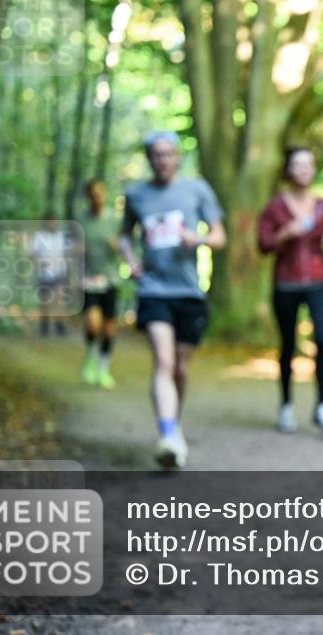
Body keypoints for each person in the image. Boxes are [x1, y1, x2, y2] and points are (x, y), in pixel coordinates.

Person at [119, 131, 226, 469]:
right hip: (153, 290)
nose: (163, 159)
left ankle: (173, 426)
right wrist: (131, 261)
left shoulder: (197, 190)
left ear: (177, 157)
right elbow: (124, 234)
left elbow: (220, 236)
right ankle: (167, 434)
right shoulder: (136, 194)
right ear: (149, 158)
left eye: (168, 154)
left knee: (180, 368)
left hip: (190, 292)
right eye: (156, 154)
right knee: (163, 363)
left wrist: (200, 239)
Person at [258, 147, 323, 433]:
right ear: (289, 170)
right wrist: (284, 234)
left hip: (317, 281)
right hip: (286, 282)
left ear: (314, 169)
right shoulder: (275, 207)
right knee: (288, 345)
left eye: (309, 165)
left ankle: (322, 406)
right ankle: (286, 405)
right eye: (298, 165)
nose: (304, 170)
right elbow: (264, 244)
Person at [79, 179, 121, 389]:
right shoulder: (81, 221)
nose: (96, 196)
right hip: (87, 279)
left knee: (109, 328)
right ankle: (90, 358)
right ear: (88, 196)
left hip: (111, 279)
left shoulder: (115, 220)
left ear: (104, 194)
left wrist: (117, 246)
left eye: (99, 192)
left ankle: (104, 369)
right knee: (92, 323)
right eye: (92, 193)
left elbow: (126, 247)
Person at [31, 212, 69, 337]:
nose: (52, 223)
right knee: (45, 302)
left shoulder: (61, 236)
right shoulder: (39, 236)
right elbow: (33, 253)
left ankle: (60, 325)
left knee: (59, 299)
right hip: (44, 274)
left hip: (59, 272)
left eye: (54, 220)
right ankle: (44, 325)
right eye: (50, 220)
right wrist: (39, 264)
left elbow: (66, 253)